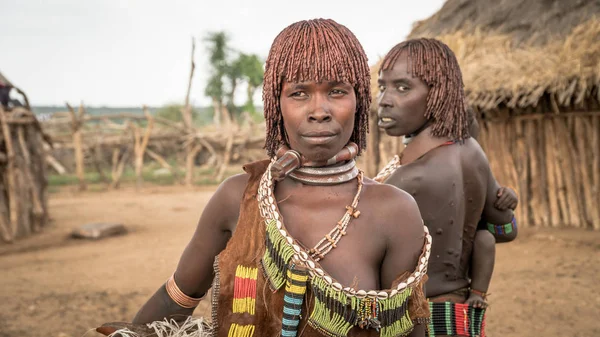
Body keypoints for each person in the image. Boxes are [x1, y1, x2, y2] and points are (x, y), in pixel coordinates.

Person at [98, 19, 431, 337]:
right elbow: (177, 298)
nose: (319, 110)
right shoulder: (239, 197)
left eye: (337, 91)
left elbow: (407, 330)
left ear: (359, 100)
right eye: (299, 93)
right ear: (276, 105)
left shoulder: (394, 211)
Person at [373, 38, 518, 337]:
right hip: (466, 319)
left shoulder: (404, 182)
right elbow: (505, 230)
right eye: (382, 86)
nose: (384, 100)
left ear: (438, 94)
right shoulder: (472, 151)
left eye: (403, 87)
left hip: (420, 323)